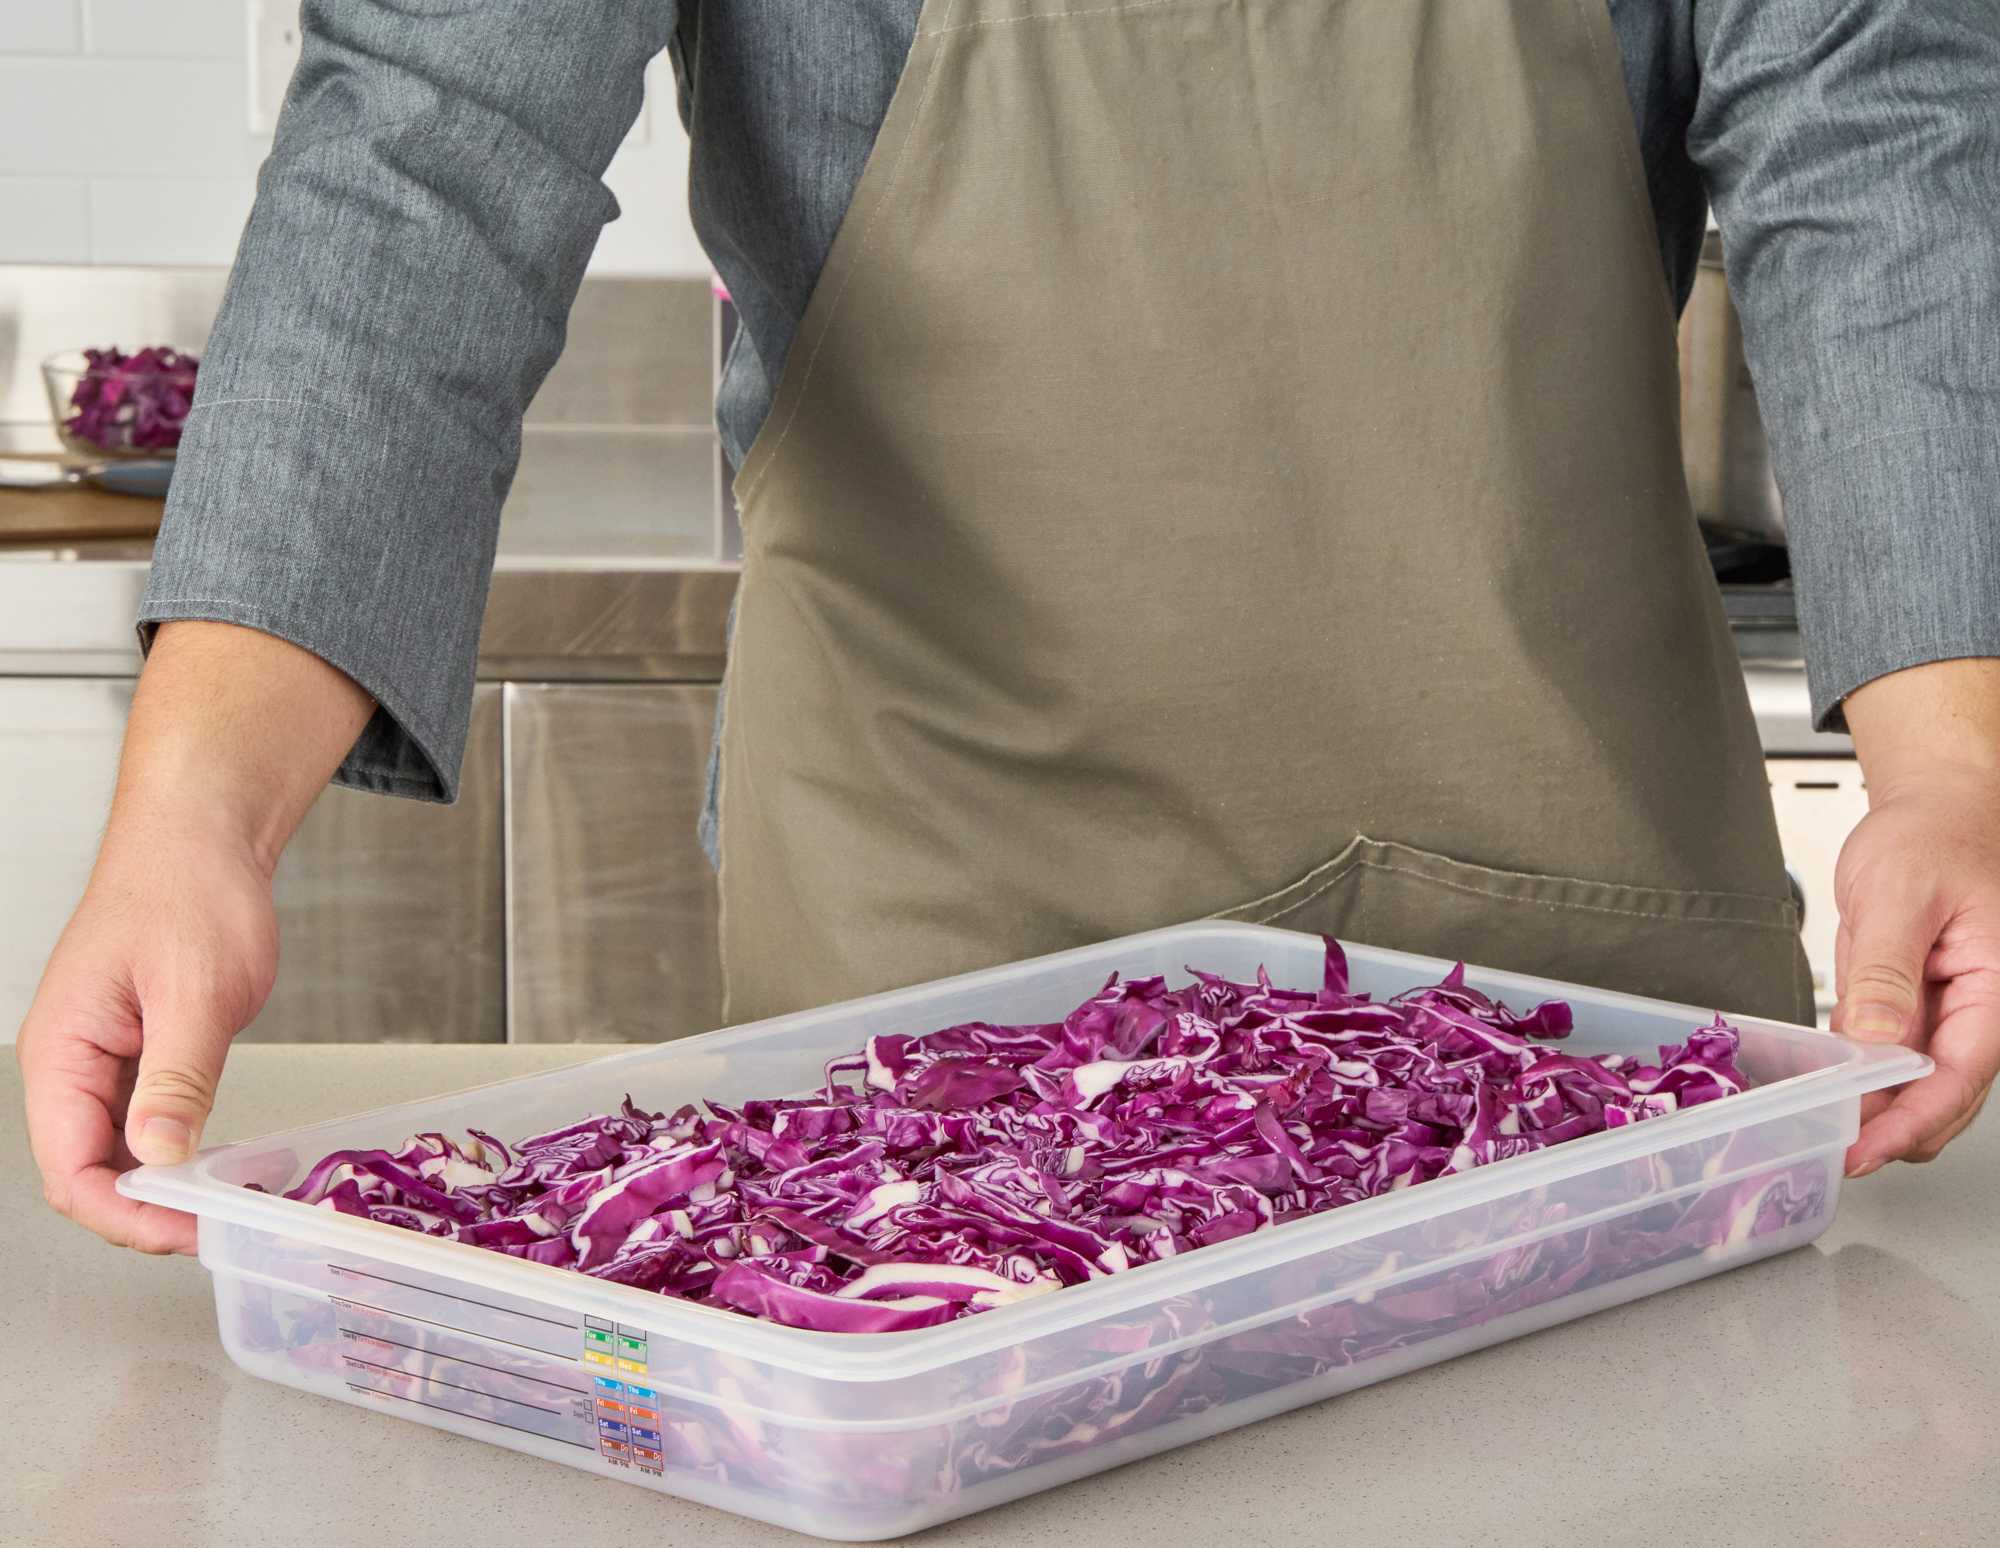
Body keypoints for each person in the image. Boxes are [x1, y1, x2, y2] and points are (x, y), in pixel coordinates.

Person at [21, 0, 2000, 1256]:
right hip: (933, 1038)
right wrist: (193, 813)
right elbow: (426, 159)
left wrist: (1954, 764)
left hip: (1582, 1012)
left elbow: (1876, 142)